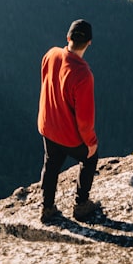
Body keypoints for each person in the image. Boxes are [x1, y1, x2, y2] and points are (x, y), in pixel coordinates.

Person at [37, 18, 100, 223]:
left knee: (51, 164)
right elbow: (84, 119)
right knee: (90, 158)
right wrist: (90, 142)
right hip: (69, 136)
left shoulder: (51, 54)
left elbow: (46, 82)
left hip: (47, 126)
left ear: (68, 37)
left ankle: (47, 207)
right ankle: (81, 205)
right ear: (89, 43)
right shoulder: (83, 74)